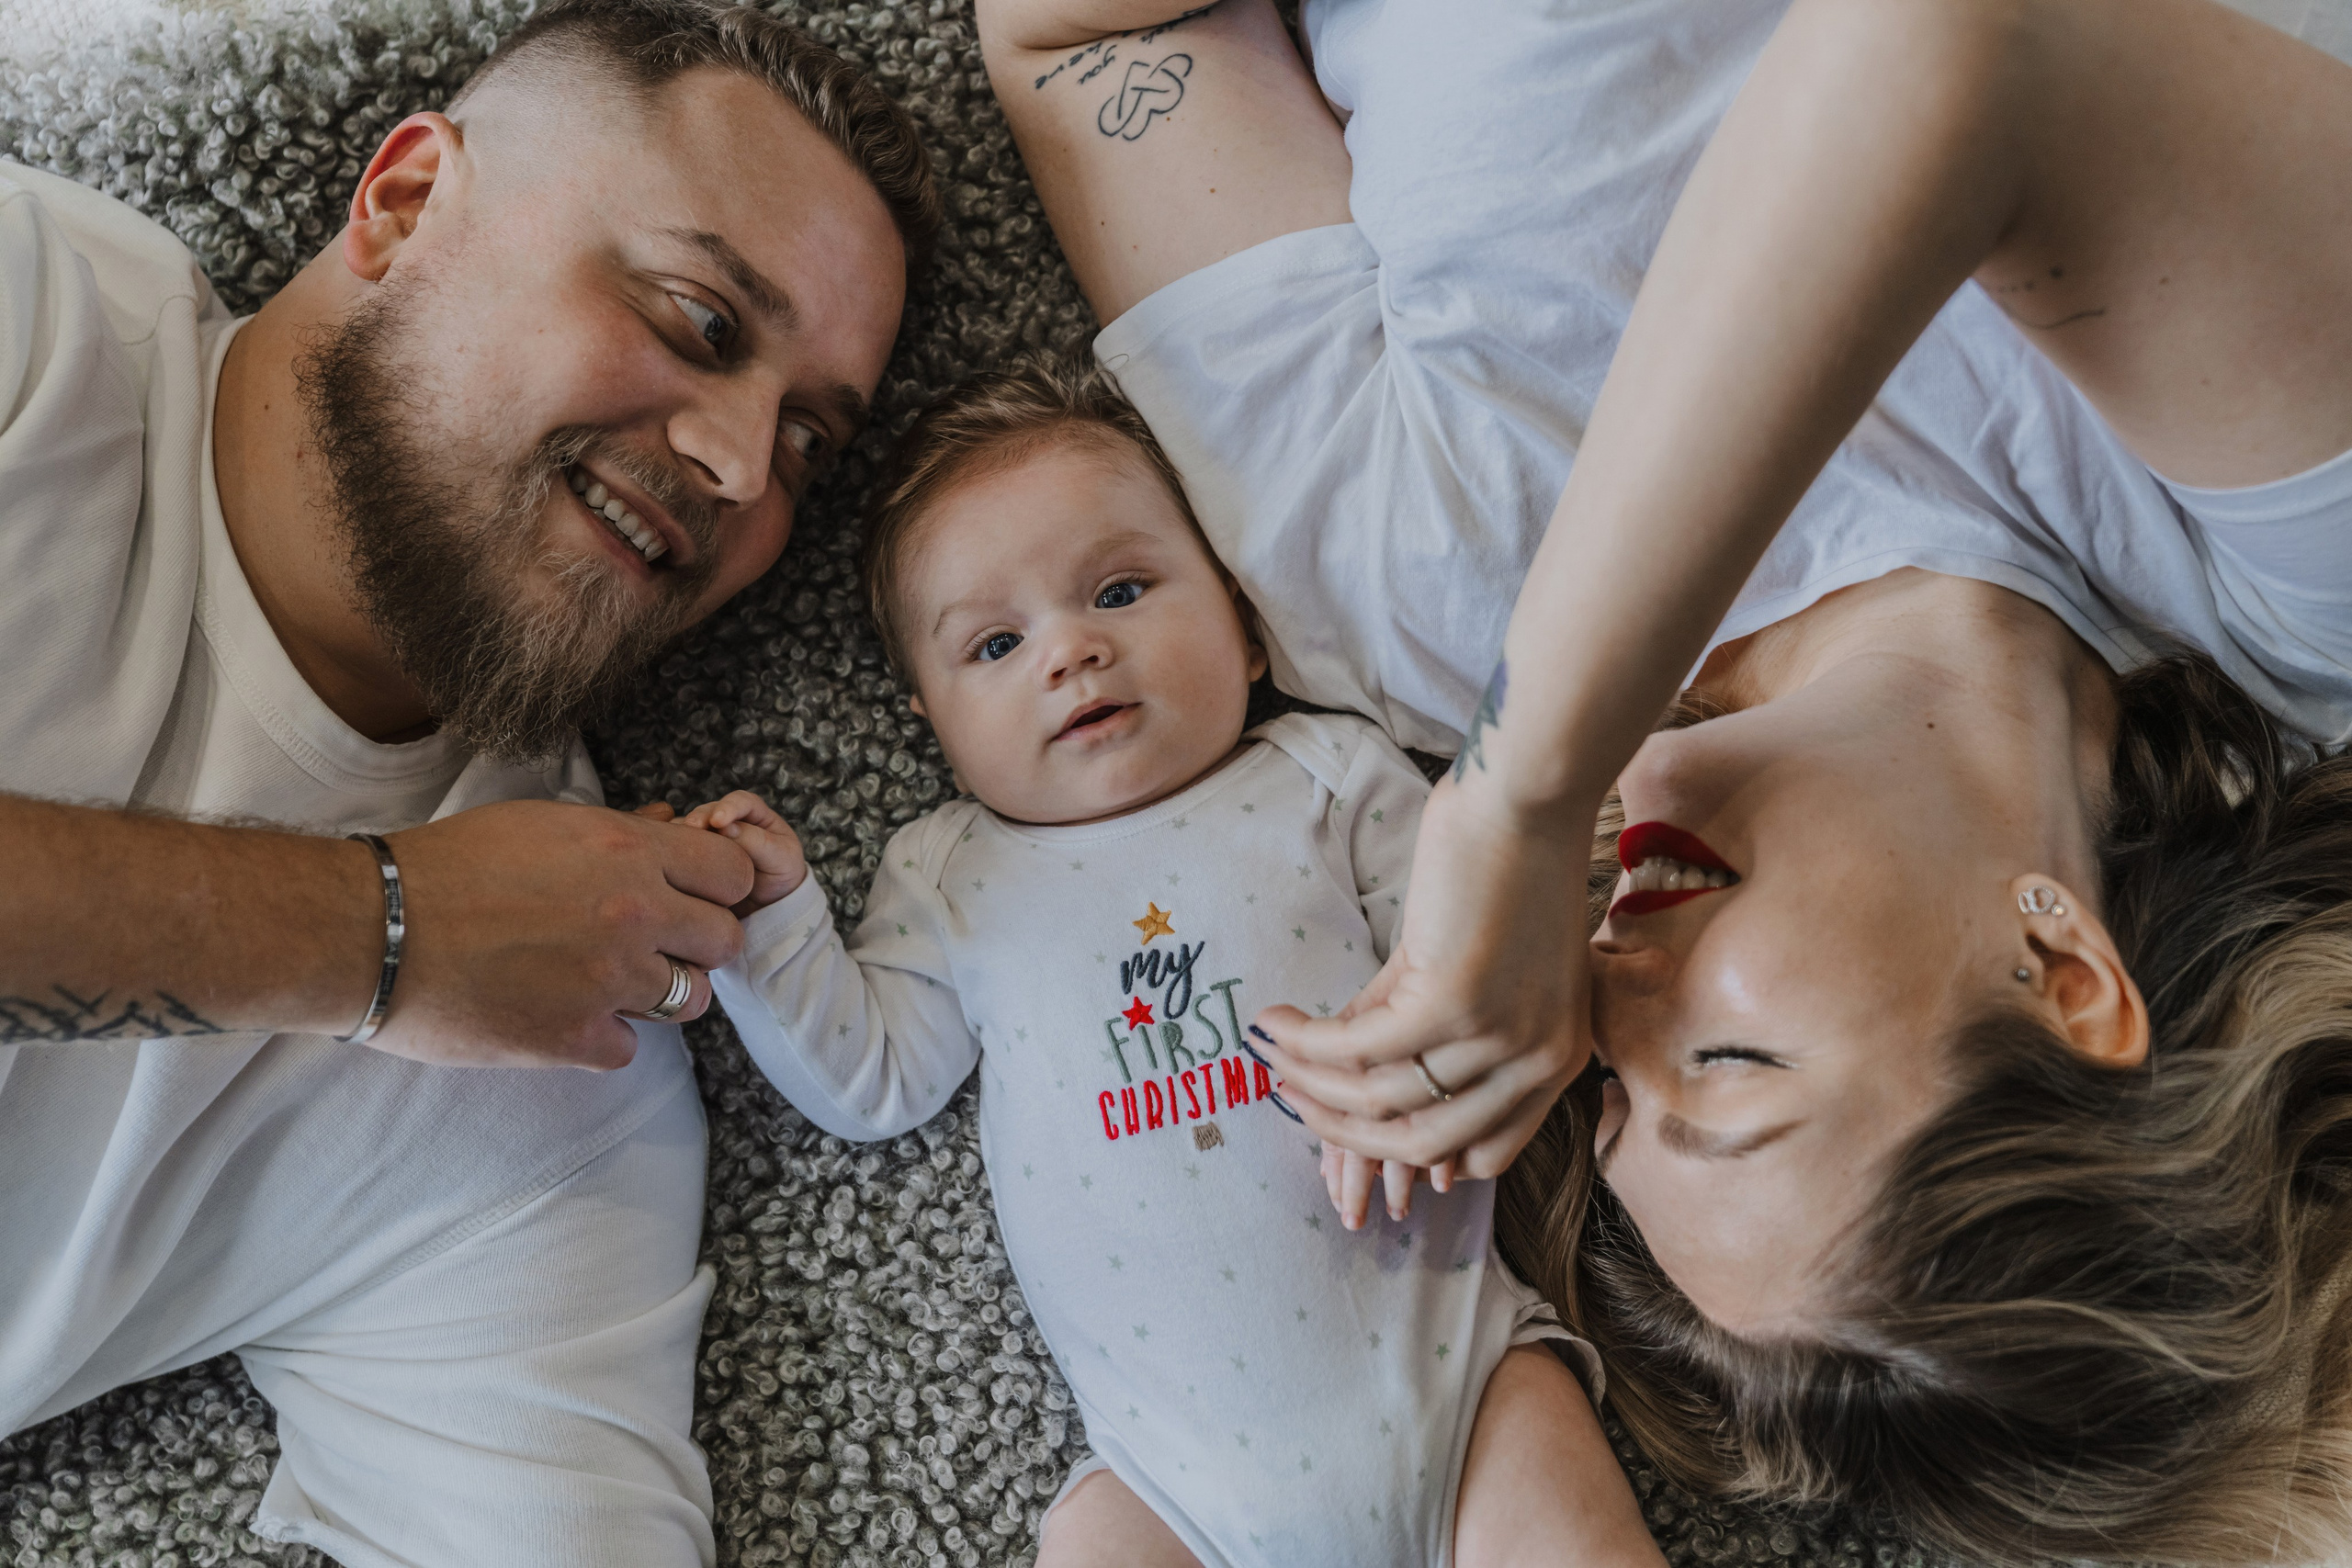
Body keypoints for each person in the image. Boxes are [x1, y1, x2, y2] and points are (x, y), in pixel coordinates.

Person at [972, 0, 2352, 1562]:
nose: (1601, 998)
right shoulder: (2287, 589)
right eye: (1736, 1073)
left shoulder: (1408, 606)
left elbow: (1072, 35)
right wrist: (1523, 789)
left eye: (1612, 1093)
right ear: (2059, 969)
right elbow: (1969, 47)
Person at [0, 0, 936, 1562]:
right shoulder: (31, 324)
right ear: (407, 202)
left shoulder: (560, 1039)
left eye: (810, 444)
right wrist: (374, 938)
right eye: (703, 322)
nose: (741, 469)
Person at [670, 355, 1663, 1568]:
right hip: (1165, 1488)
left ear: (1245, 628)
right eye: (993, 645)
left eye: (1123, 588)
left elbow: (1469, 952)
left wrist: (1426, 1066)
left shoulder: (1324, 777)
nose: (1070, 652)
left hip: (1462, 1395)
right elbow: (875, 1079)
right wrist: (775, 927)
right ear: (927, 716)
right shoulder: (952, 874)